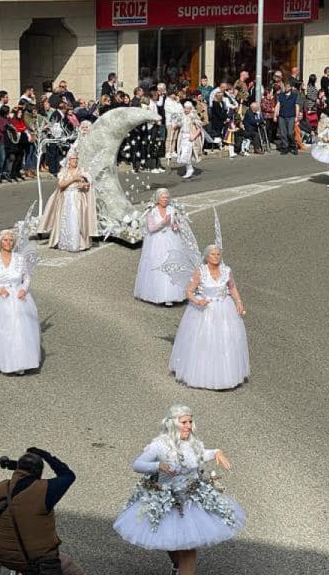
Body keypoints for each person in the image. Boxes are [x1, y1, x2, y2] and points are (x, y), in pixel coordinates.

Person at [113, 405, 244, 575]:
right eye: (184, 422)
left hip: (191, 502)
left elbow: (200, 455)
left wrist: (217, 452)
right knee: (170, 540)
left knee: (189, 549)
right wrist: (159, 465)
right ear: (173, 423)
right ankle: (177, 565)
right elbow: (137, 465)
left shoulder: (192, 442)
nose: (188, 425)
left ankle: (182, 568)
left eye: (190, 421)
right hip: (167, 501)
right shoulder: (159, 445)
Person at [169, 245, 249, 390]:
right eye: (213, 254)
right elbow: (189, 291)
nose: (216, 257)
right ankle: (202, 374)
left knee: (225, 340)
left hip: (224, 308)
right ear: (207, 256)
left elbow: (232, 287)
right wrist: (197, 301)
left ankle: (225, 375)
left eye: (218, 254)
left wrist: (238, 301)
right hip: (204, 310)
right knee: (204, 341)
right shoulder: (200, 272)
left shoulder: (227, 271)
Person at [0, 447, 83, 575]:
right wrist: (45, 456)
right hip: (39, 561)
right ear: (38, 472)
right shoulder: (44, 491)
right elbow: (68, 475)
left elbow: (19, 487)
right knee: (71, 568)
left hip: (3, 555)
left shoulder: (1, 487)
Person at [0, 230, 41, 375]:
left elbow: (27, 278)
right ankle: (3, 361)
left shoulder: (19, 259)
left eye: (11, 240)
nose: (8, 243)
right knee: (2, 331)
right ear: (0, 242)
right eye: (5, 240)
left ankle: (19, 363)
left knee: (18, 329)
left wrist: (24, 289)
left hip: (17, 298)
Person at [134, 189, 188, 305]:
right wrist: (164, 222)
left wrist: (175, 225)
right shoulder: (152, 211)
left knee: (172, 263)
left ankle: (172, 294)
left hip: (172, 240)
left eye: (167, 198)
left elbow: (176, 225)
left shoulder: (171, 209)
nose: (165, 200)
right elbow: (151, 229)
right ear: (158, 199)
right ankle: (159, 293)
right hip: (157, 242)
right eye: (163, 198)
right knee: (158, 264)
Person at [46, 152, 94, 252]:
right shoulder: (64, 171)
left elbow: (89, 182)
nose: (75, 161)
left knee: (77, 219)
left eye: (76, 158)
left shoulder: (81, 170)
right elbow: (61, 185)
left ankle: (77, 243)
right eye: (73, 159)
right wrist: (73, 179)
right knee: (66, 219)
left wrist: (84, 185)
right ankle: (66, 242)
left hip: (78, 198)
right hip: (66, 198)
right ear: (69, 160)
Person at [177, 102, 202, 180]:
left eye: (188, 108)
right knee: (182, 155)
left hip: (189, 137)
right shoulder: (181, 115)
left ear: (191, 109)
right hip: (182, 136)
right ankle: (189, 169)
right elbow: (178, 125)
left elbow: (199, 128)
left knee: (185, 155)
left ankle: (190, 169)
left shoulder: (193, 116)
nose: (186, 110)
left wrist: (194, 136)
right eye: (185, 108)